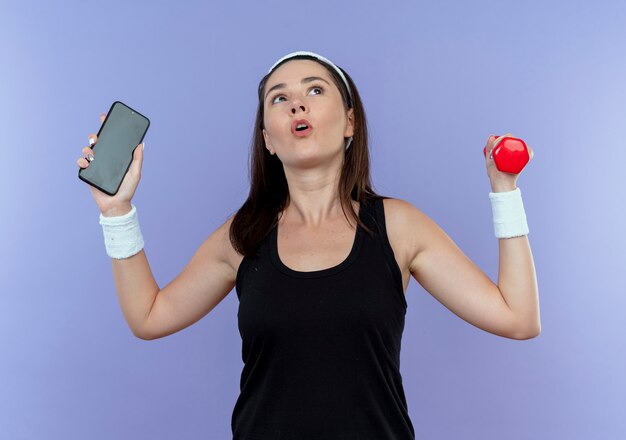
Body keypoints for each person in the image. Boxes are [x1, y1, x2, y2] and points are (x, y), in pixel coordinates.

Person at [77, 51, 540, 439]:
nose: (297, 104)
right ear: (268, 140)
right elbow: (148, 316)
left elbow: (517, 318)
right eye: (279, 99)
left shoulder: (399, 227)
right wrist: (116, 212)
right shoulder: (242, 236)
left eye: (315, 91)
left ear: (349, 122)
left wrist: (505, 190)